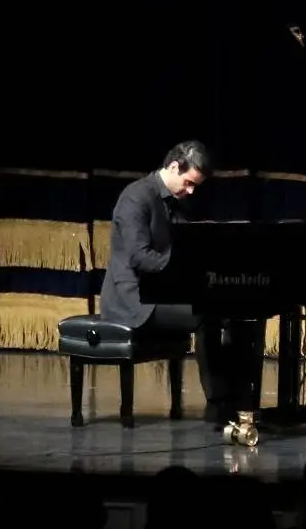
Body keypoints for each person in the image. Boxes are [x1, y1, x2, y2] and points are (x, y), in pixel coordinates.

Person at [99, 140, 264, 424]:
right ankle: (218, 404)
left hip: (160, 292)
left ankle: (242, 400)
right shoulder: (136, 197)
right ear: (174, 166)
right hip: (133, 299)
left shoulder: (175, 201)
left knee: (233, 310)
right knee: (205, 315)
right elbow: (140, 257)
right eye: (188, 183)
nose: (191, 191)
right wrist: (184, 269)